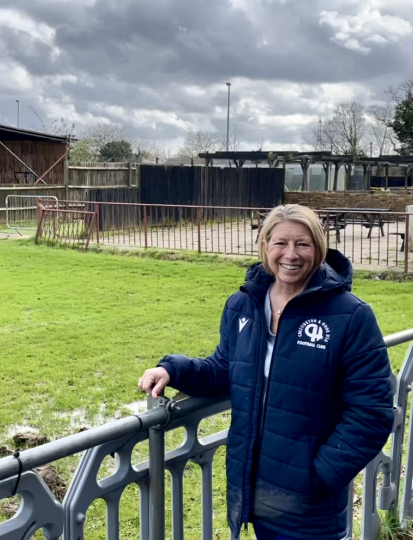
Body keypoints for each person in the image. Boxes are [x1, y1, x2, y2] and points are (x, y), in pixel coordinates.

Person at [139, 204, 394, 540]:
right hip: (255, 491)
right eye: (280, 243)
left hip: (310, 506)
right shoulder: (243, 305)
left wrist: (319, 475)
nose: (291, 254)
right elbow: (225, 369)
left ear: (318, 248)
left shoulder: (350, 316)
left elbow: (372, 412)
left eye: (303, 244)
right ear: (265, 246)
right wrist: (173, 370)